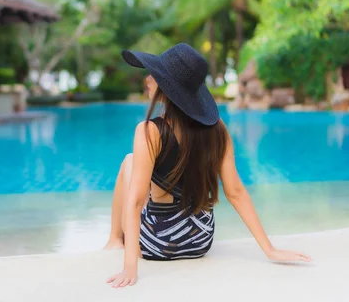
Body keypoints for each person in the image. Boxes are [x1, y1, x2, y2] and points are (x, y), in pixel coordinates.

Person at [104, 43, 311, 288]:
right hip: (200, 240)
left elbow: (137, 201)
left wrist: (130, 266)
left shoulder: (149, 131)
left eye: (155, 74)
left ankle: (115, 239)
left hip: (159, 244)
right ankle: (119, 237)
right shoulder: (218, 131)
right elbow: (235, 192)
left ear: (168, 88)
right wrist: (270, 249)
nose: (148, 78)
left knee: (129, 161)